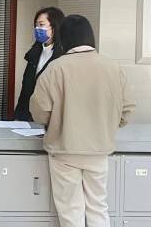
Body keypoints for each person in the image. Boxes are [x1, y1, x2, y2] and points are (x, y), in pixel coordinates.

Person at [30, 14, 135, 227]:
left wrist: (55, 123)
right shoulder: (113, 68)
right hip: (99, 148)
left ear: (64, 38)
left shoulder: (55, 68)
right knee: (98, 206)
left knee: (71, 210)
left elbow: (40, 112)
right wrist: (108, 125)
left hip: (64, 150)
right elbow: (128, 108)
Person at [13, 7, 65, 121]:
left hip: (50, 117)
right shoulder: (34, 53)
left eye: (41, 25)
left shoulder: (63, 56)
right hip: (27, 115)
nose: (37, 29)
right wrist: (18, 116)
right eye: (36, 25)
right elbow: (26, 89)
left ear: (54, 27)